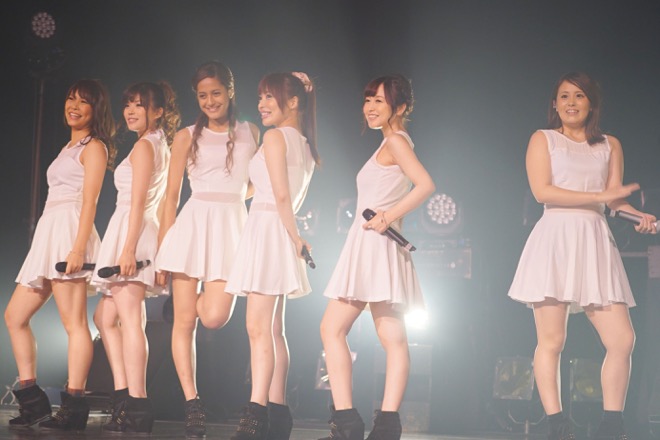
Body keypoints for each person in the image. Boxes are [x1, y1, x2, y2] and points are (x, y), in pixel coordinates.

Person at [508, 71, 656, 440]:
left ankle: (612, 425)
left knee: (622, 340)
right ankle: (557, 423)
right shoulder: (543, 139)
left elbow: (614, 201)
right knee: (552, 340)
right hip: (555, 238)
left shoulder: (610, 145)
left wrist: (639, 216)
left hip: (595, 239)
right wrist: (599, 198)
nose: (571, 103)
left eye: (579, 96)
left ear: (591, 104)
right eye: (564, 96)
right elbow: (543, 192)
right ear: (554, 104)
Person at [319, 74, 435, 440]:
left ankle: (348, 421)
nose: (370, 107)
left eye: (379, 101)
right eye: (368, 99)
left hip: (375, 243)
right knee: (392, 336)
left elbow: (426, 185)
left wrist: (387, 216)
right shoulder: (393, 141)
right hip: (375, 245)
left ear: (400, 107)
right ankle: (384, 425)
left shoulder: (396, 141)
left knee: (333, 329)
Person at [154, 61, 259, 437]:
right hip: (192, 226)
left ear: (230, 91)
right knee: (184, 322)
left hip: (231, 227)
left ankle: (187, 303)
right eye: (202, 95)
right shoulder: (185, 136)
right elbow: (170, 197)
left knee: (214, 317)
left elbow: (257, 182)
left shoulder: (251, 131)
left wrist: (235, 195)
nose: (210, 101)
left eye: (216, 93)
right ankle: (192, 402)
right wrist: (163, 251)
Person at [4, 79, 115, 430]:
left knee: (74, 323)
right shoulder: (68, 147)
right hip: (49, 231)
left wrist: (78, 247)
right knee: (14, 316)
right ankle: (33, 402)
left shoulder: (94, 147)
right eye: (71, 99)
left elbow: (90, 201)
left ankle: (74, 406)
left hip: (69, 231)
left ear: (96, 110)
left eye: (83, 102)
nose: (74, 106)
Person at [225, 71, 319, 440]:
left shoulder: (276, 137)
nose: (262, 104)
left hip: (269, 228)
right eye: (261, 96)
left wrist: (295, 237)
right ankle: (278, 412)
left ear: (293, 102)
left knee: (257, 327)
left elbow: (280, 195)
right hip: (277, 229)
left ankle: (256, 413)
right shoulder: (305, 144)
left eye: (270, 96)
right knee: (274, 329)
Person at [92, 81, 180, 434]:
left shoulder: (146, 145)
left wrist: (128, 249)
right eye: (128, 104)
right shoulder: (155, 143)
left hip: (134, 232)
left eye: (139, 105)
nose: (130, 111)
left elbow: (142, 202)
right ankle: (124, 396)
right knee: (105, 317)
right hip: (134, 229)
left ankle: (137, 403)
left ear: (157, 112)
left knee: (130, 319)